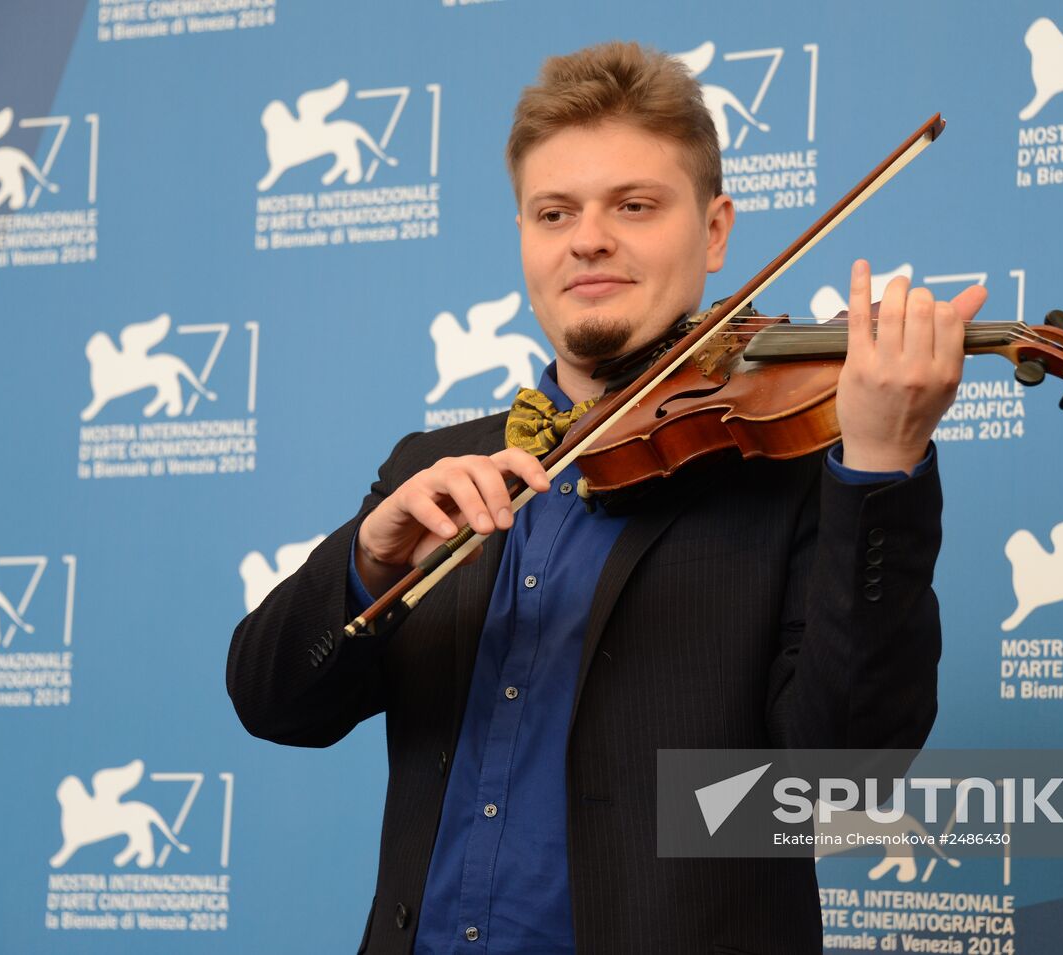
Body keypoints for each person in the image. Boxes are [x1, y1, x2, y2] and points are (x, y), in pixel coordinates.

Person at [227, 40, 986, 955]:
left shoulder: (799, 467)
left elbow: (842, 787)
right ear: (524, 239)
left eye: (635, 205)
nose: (589, 237)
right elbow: (272, 703)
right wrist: (368, 559)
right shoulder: (434, 468)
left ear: (713, 231)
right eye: (555, 212)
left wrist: (881, 462)